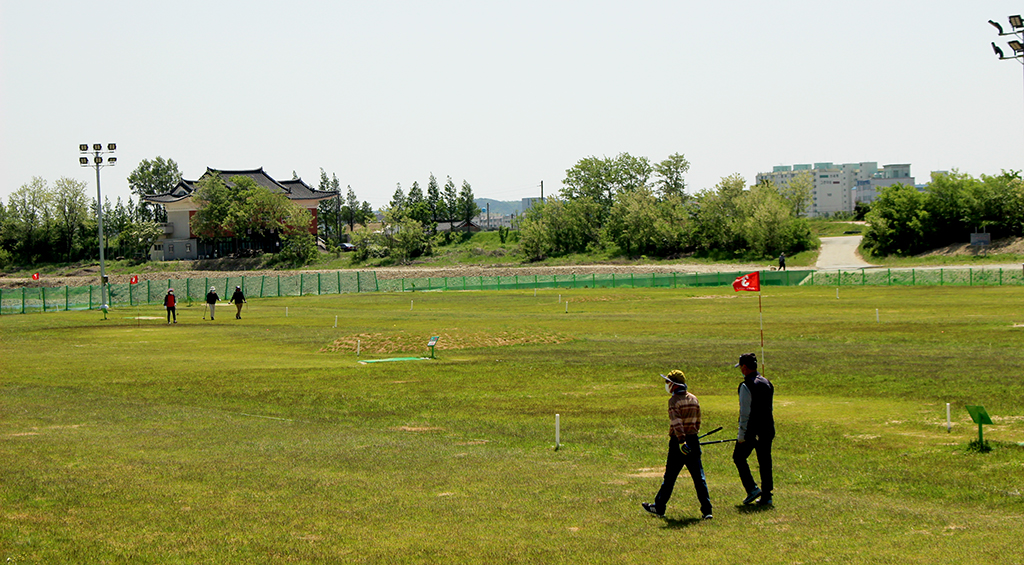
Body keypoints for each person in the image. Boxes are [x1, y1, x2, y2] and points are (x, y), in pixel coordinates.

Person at [642, 370, 713, 520]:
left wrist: (681, 441)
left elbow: (676, 423)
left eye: (668, 382)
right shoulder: (694, 399)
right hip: (693, 440)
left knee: (670, 477)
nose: (666, 385)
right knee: (699, 478)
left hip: (678, 443)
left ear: (674, 385)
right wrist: (692, 435)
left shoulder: (674, 402)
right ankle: (707, 510)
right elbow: (698, 420)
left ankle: (659, 507)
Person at [733, 353, 775, 506]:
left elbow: (745, 412)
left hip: (752, 431)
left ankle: (752, 489)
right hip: (768, 429)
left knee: (738, 457)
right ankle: (767, 495)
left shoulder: (746, 386)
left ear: (744, 367)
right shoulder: (767, 383)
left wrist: (741, 434)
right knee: (765, 461)